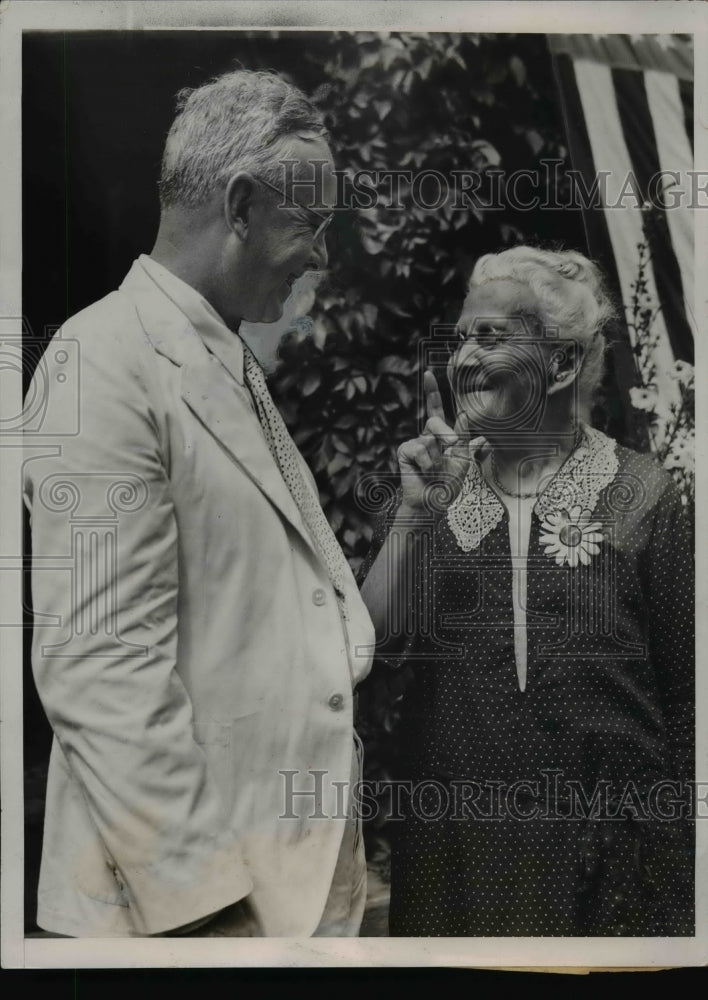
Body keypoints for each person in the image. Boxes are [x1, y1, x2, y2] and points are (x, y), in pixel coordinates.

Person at [23, 69, 374, 938]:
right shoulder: (100, 360)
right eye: (312, 223)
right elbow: (101, 669)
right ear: (242, 205)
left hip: (287, 888)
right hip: (191, 918)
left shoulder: (225, 357)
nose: (322, 257)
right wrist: (208, 915)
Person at [360, 246, 694, 936]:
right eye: (460, 340)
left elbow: (692, 701)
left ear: (563, 363)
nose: (463, 359)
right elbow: (369, 643)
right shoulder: (434, 491)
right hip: (457, 865)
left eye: (489, 337)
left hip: (613, 875)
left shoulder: (644, 495)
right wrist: (416, 512)